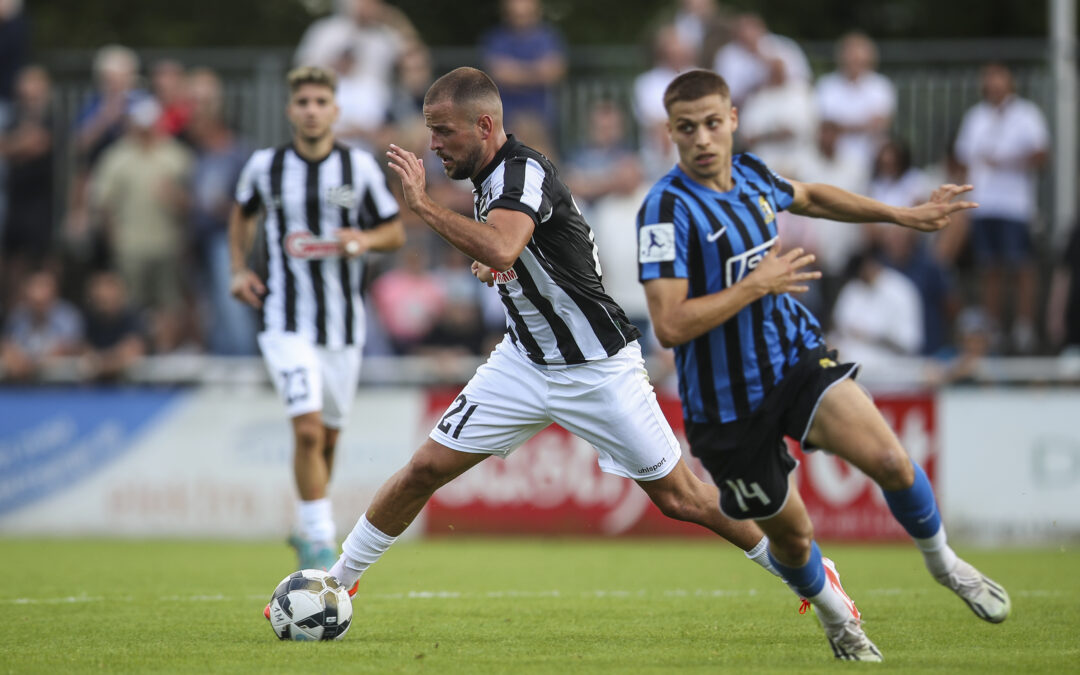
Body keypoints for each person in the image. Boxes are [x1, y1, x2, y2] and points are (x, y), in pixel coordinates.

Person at [319, 67, 791, 611]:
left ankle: (807, 572)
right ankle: (336, 582)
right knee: (424, 468)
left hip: (597, 366)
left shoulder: (522, 172)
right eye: (431, 131)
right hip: (524, 362)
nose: (434, 144)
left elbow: (502, 246)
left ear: (485, 124)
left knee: (684, 499)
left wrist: (426, 208)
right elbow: (520, 254)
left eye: (443, 131)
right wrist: (496, 265)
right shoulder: (489, 181)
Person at [637, 69, 1010, 661]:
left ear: (732, 119)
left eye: (713, 123)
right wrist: (755, 284)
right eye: (688, 129)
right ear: (671, 133)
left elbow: (809, 195)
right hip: (726, 406)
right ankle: (838, 618)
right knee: (795, 536)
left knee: (890, 458)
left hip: (792, 360)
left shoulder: (754, 174)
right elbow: (669, 324)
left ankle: (946, 565)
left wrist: (902, 215)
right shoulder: (664, 211)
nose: (703, 139)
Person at [229, 66, 405, 571]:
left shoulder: (359, 168)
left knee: (326, 436)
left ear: (335, 111)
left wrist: (364, 240)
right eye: (302, 101)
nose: (310, 109)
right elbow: (241, 213)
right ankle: (322, 536)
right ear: (291, 110)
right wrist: (239, 270)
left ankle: (306, 522)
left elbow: (394, 232)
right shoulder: (266, 166)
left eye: (319, 101)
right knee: (306, 430)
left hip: (343, 327)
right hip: (284, 320)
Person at [954, 62, 1049, 354]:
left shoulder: (1027, 114)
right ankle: (993, 329)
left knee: (1020, 267)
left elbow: (1042, 155)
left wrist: (1008, 162)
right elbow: (961, 158)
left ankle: (1023, 327)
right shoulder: (975, 116)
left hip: (1015, 205)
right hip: (984, 205)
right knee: (989, 268)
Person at [814, 32, 896, 172]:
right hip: (831, 159)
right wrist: (861, 125)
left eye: (858, 59)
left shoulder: (881, 86)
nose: (854, 62)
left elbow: (880, 124)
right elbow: (823, 124)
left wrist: (840, 127)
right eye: (850, 57)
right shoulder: (826, 85)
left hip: (870, 158)